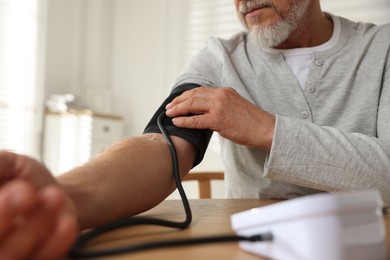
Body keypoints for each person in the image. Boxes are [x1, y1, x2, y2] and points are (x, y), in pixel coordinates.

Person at [0, 0, 389, 258]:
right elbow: (162, 144)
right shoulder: (218, 59)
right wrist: (68, 196)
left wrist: (268, 129)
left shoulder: (382, 47)